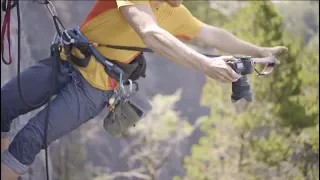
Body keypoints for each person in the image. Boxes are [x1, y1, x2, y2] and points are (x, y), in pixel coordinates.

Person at [1, 0, 288, 179]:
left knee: (29, 139)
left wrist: (259, 50)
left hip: (93, 89)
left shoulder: (177, 13)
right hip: (66, 61)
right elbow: (149, 32)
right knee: (3, 105)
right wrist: (206, 64)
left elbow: (213, 34)